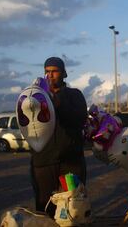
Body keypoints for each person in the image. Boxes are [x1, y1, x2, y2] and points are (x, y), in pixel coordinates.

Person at [30, 57, 88, 217]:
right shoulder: (36, 98)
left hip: (71, 161)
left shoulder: (74, 95)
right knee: (44, 206)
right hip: (43, 160)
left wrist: (54, 100)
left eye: (54, 71)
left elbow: (80, 118)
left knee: (74, 204)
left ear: (63, 73)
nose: (50, 75)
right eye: (47, 72)